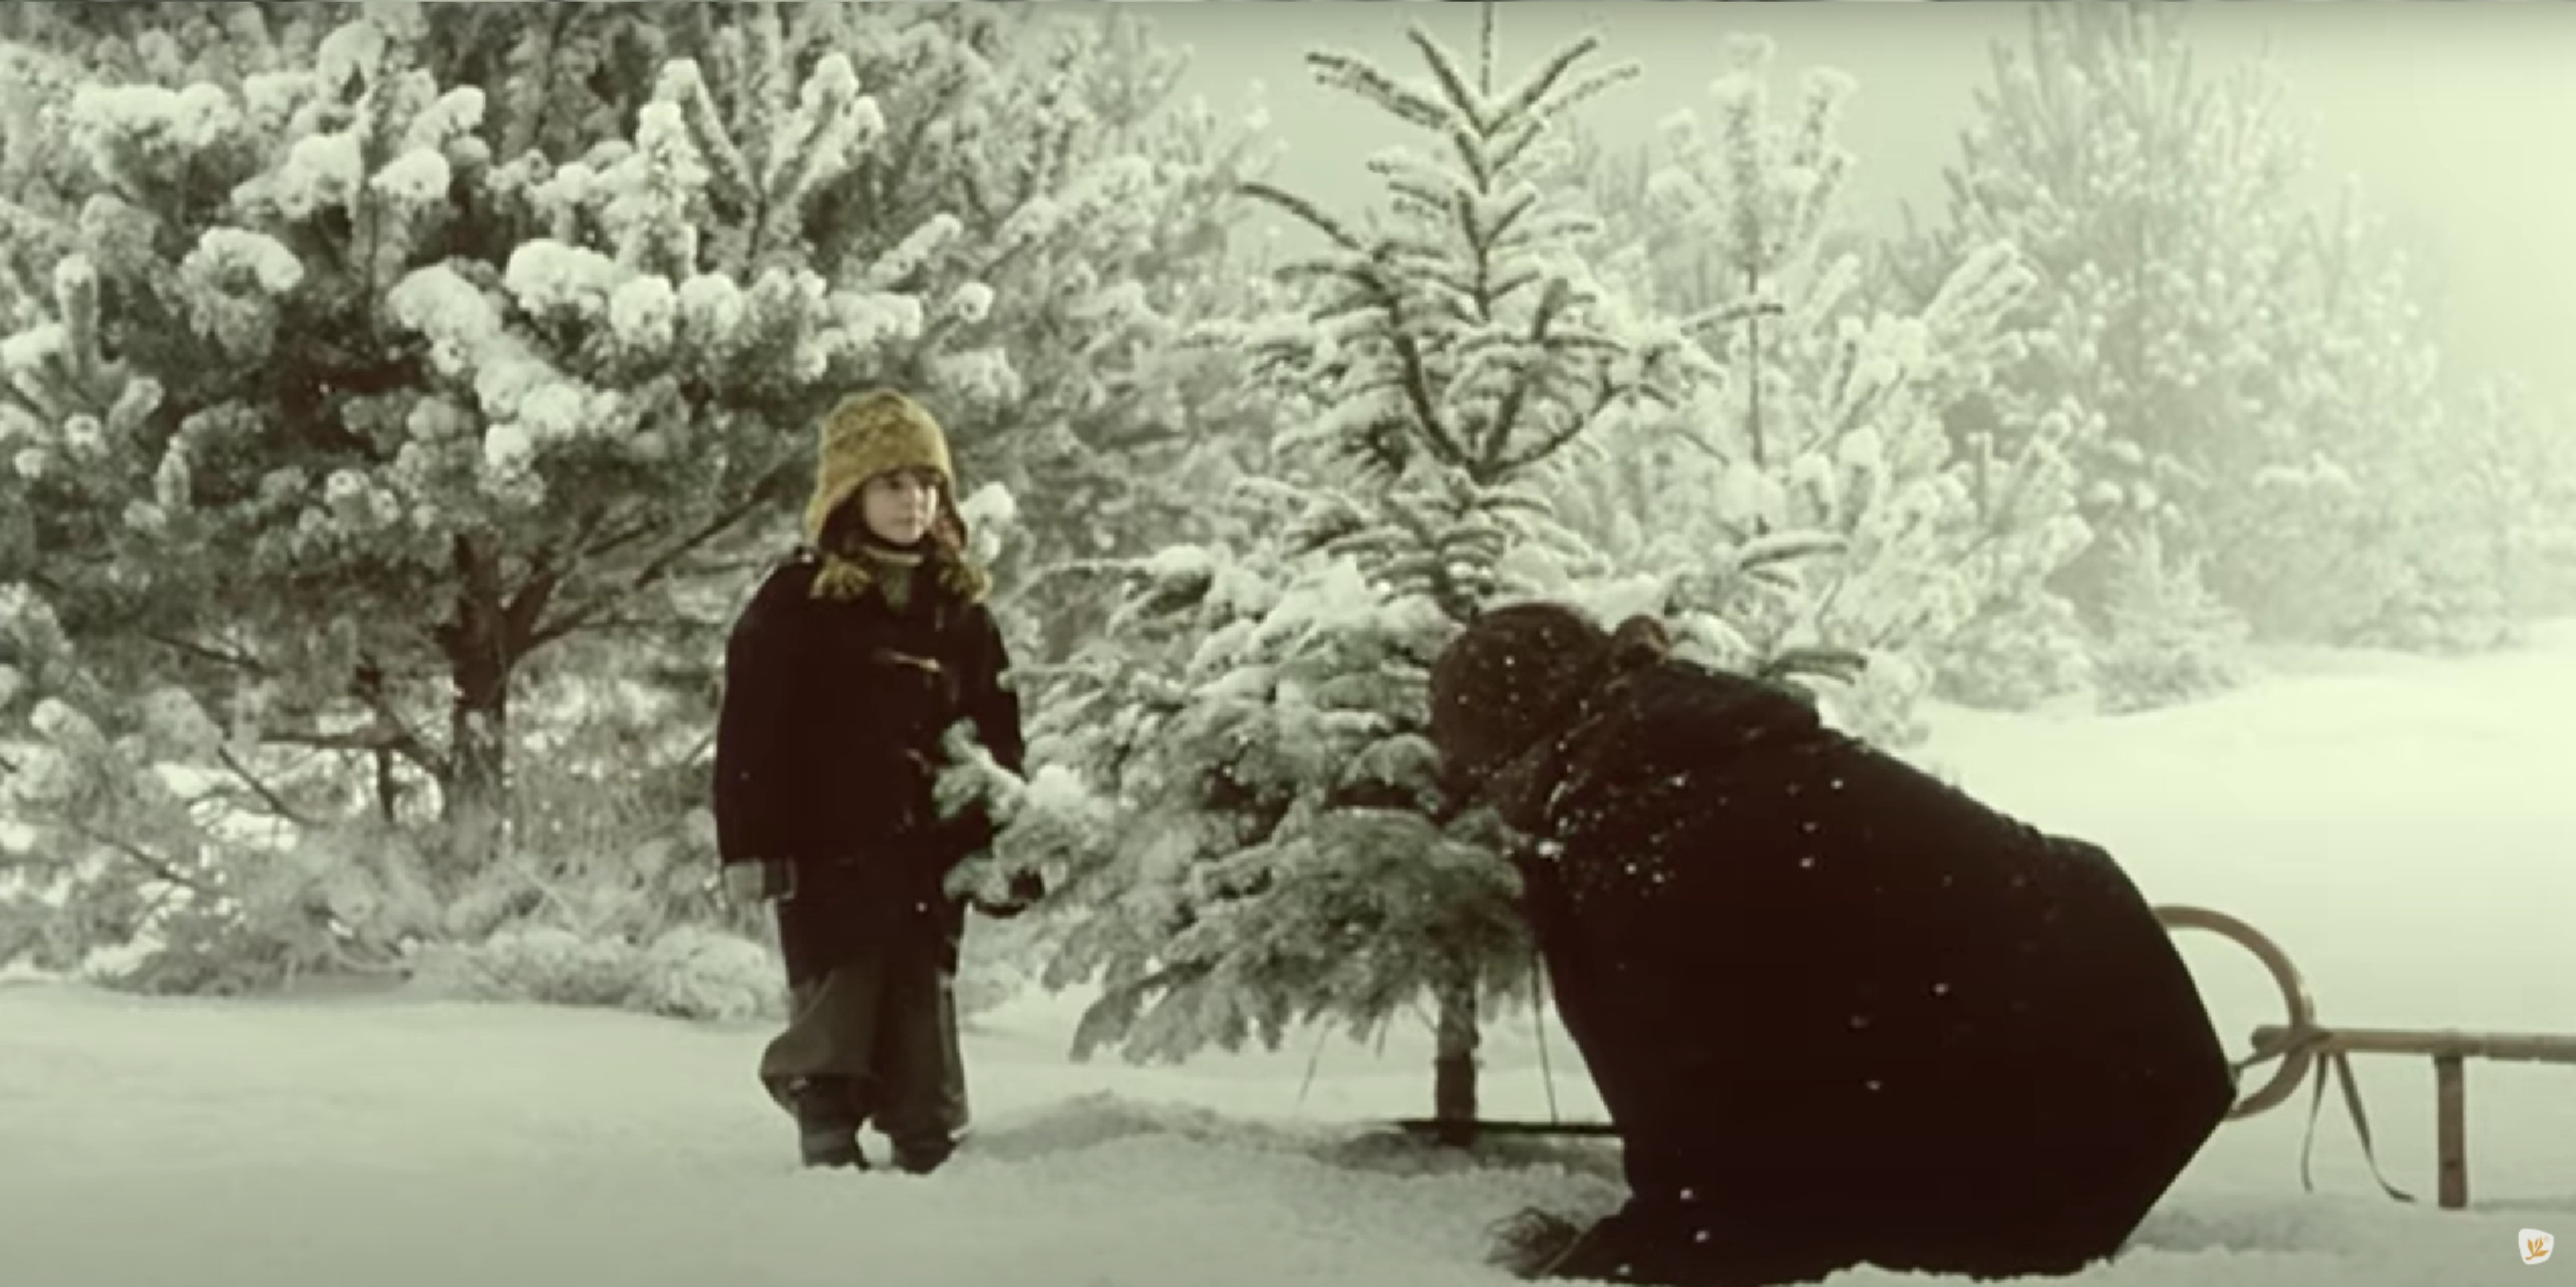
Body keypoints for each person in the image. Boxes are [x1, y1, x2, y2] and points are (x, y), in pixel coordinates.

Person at [1426, 602, 2238, 1286]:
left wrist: (1630, 1254)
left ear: (1519, 744)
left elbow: (1705, 1119)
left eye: (1478, 771)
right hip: (2122, 1034)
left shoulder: (1638, 835)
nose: (1489, 803)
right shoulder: (1692, 742)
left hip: (2055, 1132)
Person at [712, 388, 1044, 1173]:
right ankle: (823, 1111)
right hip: (828, 841)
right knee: (842, 980)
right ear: (848, 495)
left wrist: (1009, 838)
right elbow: (751, 732)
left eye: (927, 484)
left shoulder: (960, 610)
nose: (913, 501)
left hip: (931, 841)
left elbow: (999, 732)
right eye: (892, 484)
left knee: (921, 987)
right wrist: (752, 844)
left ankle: (922, 1122)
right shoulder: (796, 602)